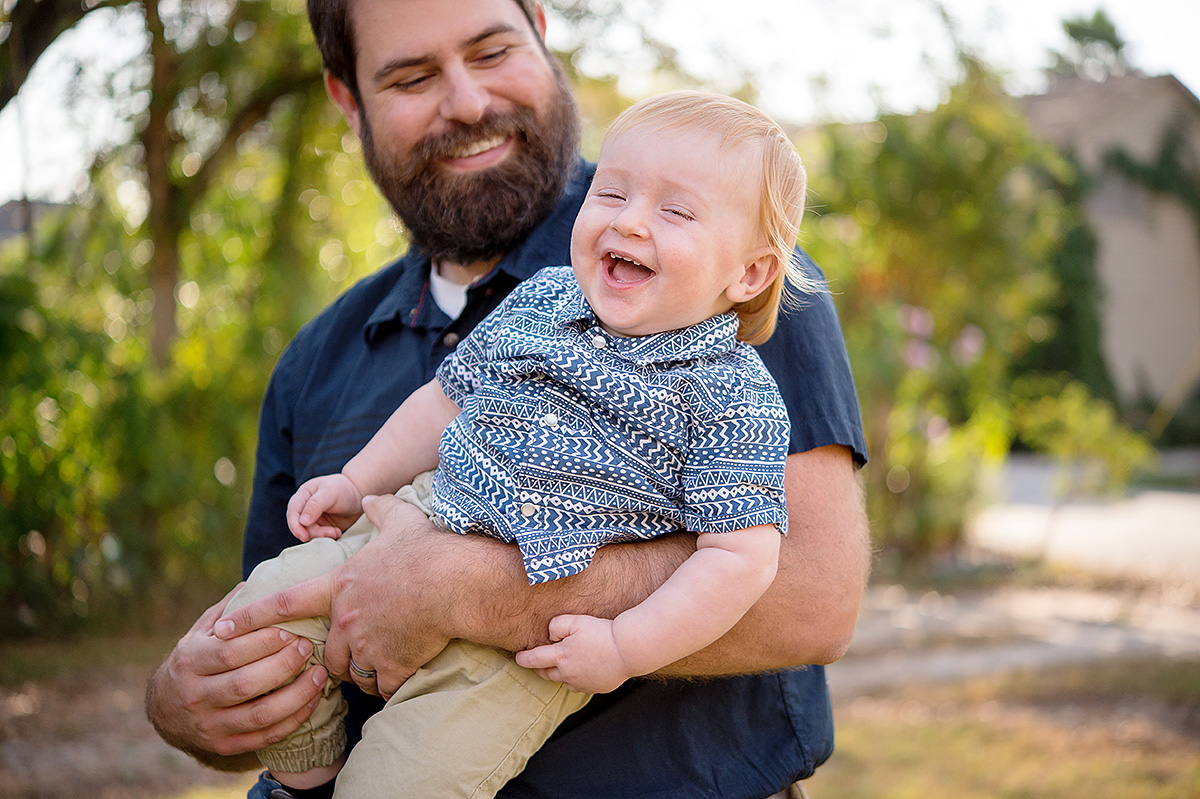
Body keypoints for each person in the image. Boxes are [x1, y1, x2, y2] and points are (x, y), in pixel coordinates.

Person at [144, 1, 870, 797]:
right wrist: (188, 707)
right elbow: (280, 629)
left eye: (491, 51)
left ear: (542, 37)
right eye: (413, 76)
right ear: (348, 99)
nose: (467, 102)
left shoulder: (731, 307)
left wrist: (463, 587)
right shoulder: (316, 360)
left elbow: (815, 599)